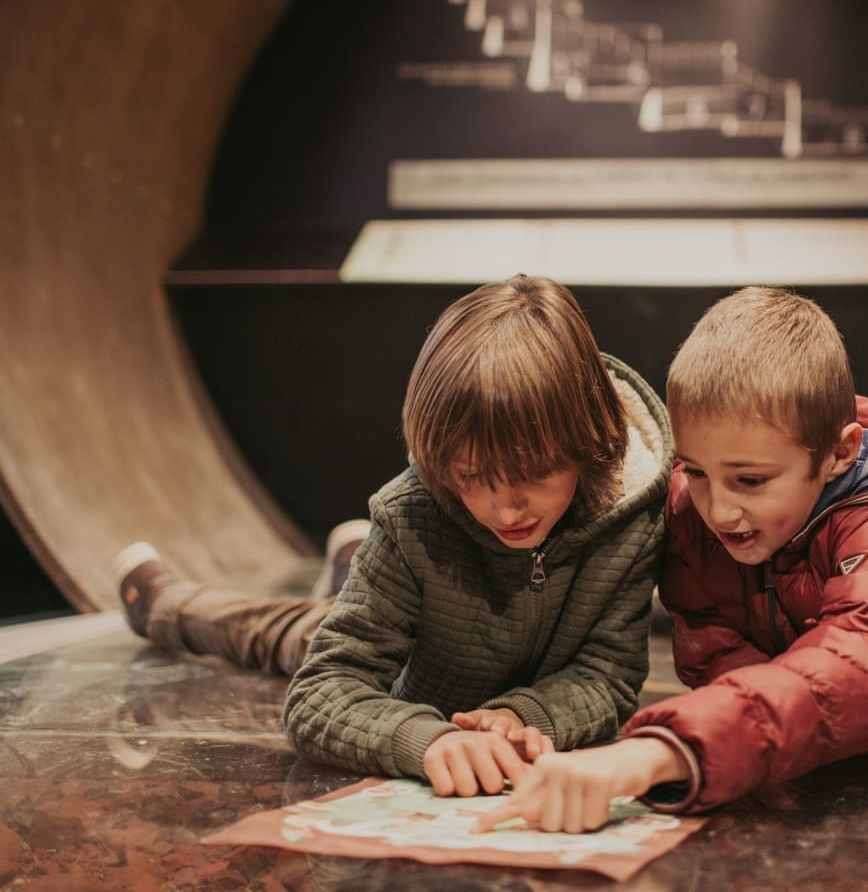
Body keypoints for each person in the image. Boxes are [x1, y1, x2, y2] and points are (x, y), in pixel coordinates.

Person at [474, 286, 868, 833]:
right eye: (696, 471)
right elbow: (711, 647)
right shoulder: (687, 509)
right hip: (778, 679)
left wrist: (664, 750)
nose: (719, 511)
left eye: (750, 480)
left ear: (840, 453)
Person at [113, 275, 674, 799]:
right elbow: (320, 692)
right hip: (408, 669)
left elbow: (608, 675)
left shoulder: (632, 516)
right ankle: (163, 603)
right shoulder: (411, 519)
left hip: (450, 640)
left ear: (588, 440)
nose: (504, 509)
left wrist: (524, 715)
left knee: (344, 603)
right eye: (473, 477)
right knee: (282, 634)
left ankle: (348, 569)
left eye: (533, 474)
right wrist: (426, 738)